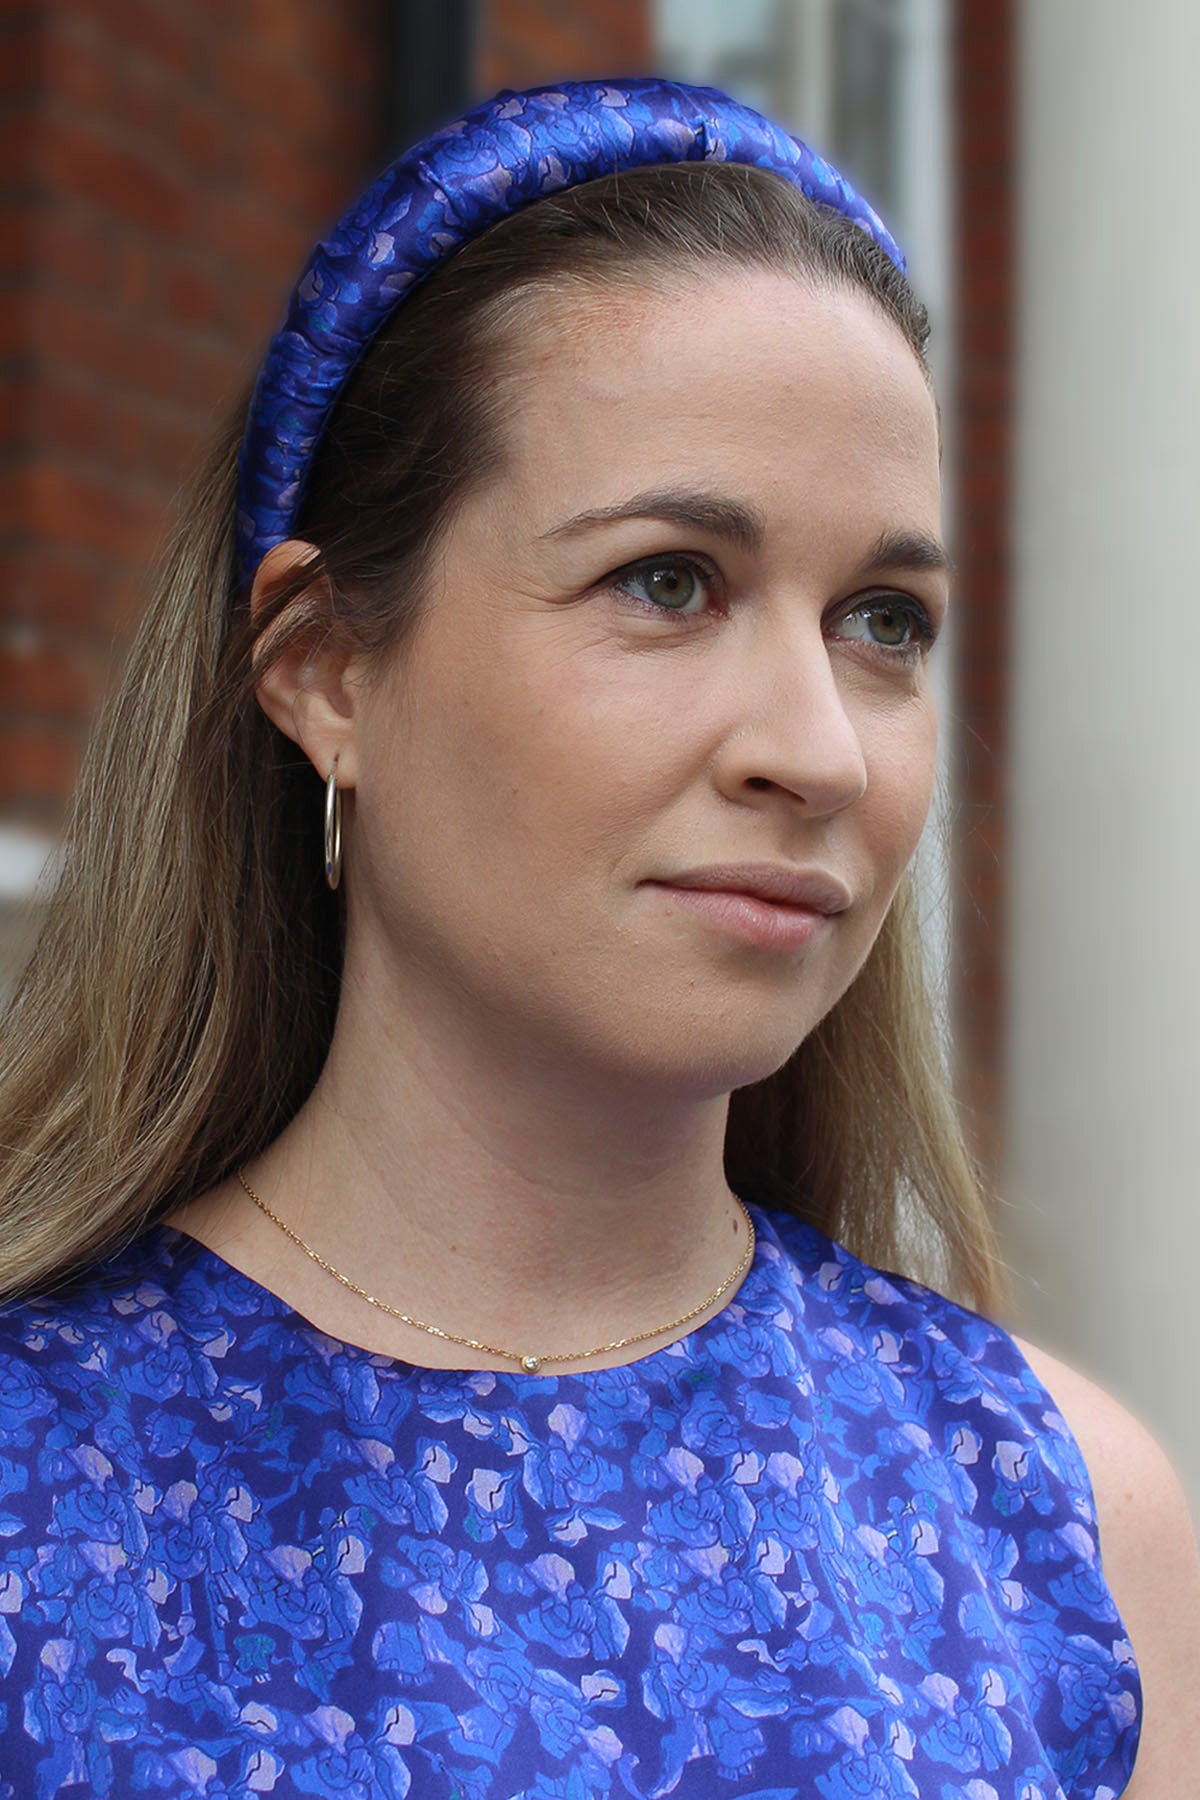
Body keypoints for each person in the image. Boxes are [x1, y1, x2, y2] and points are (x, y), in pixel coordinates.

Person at [0, 74, 1194, 1798]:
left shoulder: (1063, 1528)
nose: (820, 745)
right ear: (328, 668)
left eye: (884, 620)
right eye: (668, 581)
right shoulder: (40, 1489)